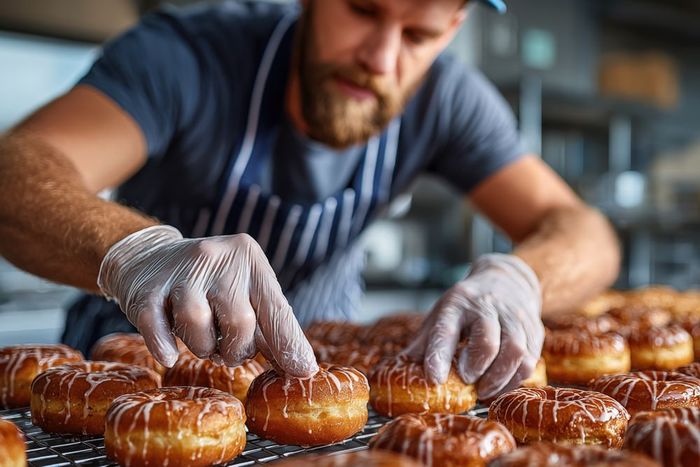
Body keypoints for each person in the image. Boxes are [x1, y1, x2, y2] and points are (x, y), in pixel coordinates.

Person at [0, 0, 619, 398]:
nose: (381, 58)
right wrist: (137, 251)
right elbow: (16, 169)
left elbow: (583, 231)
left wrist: (520, 277)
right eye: (360, 9)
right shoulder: (188, 58)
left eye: (418, 34)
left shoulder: (447, 99)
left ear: (453, 26)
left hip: (316, 389)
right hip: (127, 383)